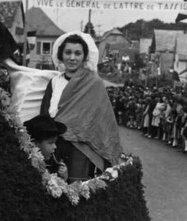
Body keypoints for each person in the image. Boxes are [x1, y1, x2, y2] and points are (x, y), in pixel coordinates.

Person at [40, 31, 122, 183]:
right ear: (61, 55)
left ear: (84, 57)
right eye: (68, 52)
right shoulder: (54, 82)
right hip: (55, 146)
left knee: (78, 190)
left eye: (77, 53)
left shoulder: (94, 83)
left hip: (82, 150)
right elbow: (44, 115)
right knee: (53, 188)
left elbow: (103, 119)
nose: (72, 58)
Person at [23, 115, 68, 181]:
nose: (55, 147)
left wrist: (63, 178)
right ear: (35, 143)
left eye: (55, 143)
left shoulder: (48, 164)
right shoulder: (28, 168)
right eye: (51, 143)